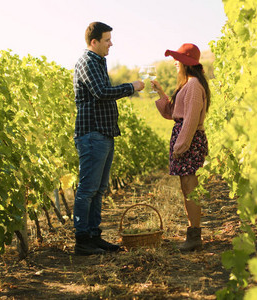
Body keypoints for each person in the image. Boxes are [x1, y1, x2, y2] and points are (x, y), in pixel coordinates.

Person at [73, 21, 145, 256]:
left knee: (98, 188)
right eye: (106, 40)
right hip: (92, 133)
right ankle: (82, 240)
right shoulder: (87, 62)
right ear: (94, 42)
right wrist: (131, 87)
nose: (111, 44)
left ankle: (94, 236)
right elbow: (102, 93)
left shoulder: (98, 63)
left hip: (103, 133)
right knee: (88, 189)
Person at [151, 43, 211, 252]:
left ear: (186, 63)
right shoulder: (188, 84)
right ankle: (192, 233)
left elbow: (191, 120)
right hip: (186, 138)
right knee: (186, 188)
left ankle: (195, 236)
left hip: (189, 139)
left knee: (190, 188)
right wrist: (160, 93)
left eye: (178, 59)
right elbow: (172, 113)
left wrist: (181, 146)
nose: (175, 63)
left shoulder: (193, 85)